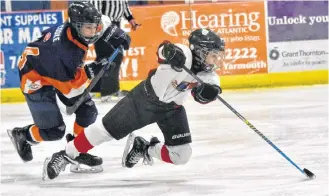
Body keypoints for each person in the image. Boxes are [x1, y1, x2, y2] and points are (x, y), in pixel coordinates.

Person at [43, 28, 225, 180]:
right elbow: (163, 50)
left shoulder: (209, 76)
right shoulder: (183, 53)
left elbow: (202, 96)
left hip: (172, 110)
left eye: (218, 56)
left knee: (181, 155)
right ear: (199, 52)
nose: (217, 61)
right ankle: (66, 154)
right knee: (104, 131)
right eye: (213, 56)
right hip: (143, 101)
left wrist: (208, 94)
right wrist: (169, 51)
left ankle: (144, 147)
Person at [7, 1, 130, 172]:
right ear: (77, 25)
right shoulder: (64, 53)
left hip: (53, 67)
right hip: (34, 78)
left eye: (95, 27)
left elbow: (101, 21)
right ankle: (23, 135)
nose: (94, 31)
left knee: (88, 111)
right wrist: (89, 72)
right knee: (54, 131)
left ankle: (76, 151)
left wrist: (114, 32)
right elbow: (70, 91)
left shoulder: (76, 29)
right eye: (89, 28)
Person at [89, 0, 140, 102]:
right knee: (112, 56)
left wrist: (130, 18)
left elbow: (123, 4)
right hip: (103, 24)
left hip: (114, 23)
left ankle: (96, 89)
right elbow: (93, 6)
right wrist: (99, 25)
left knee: (105, 56)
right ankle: (109, 91)